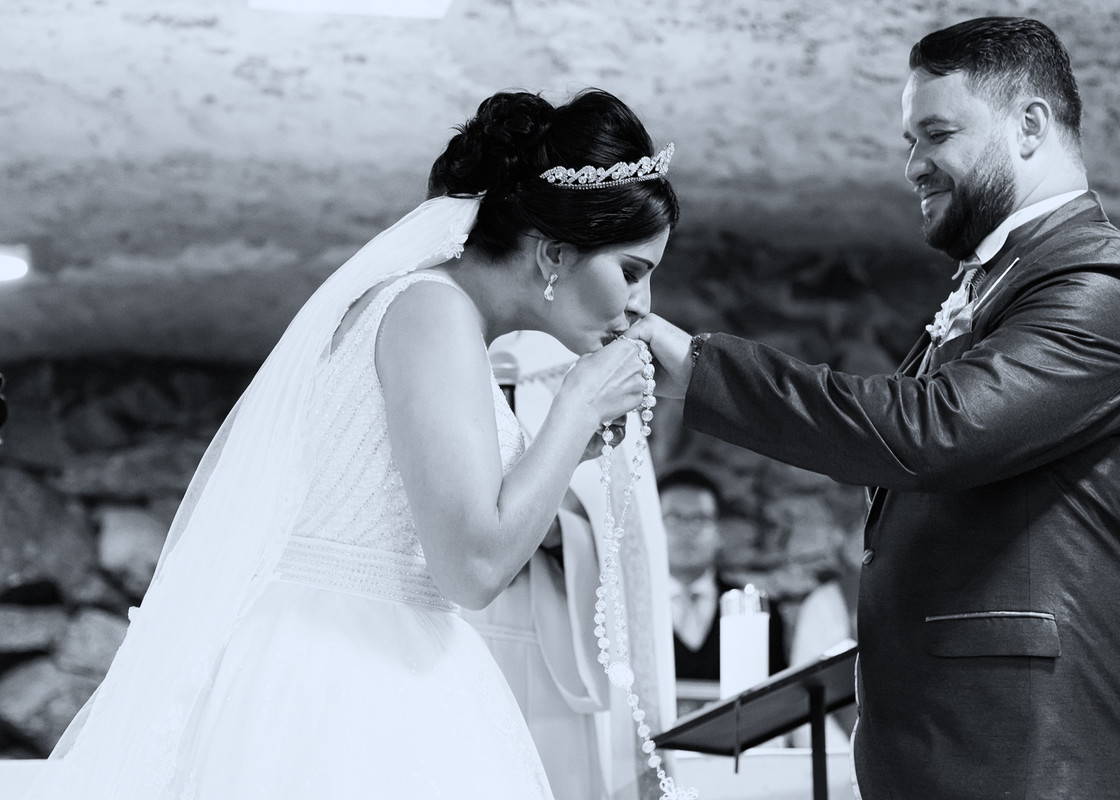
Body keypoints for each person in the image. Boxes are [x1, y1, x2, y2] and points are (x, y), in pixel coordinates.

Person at [25, 88, 679, 799]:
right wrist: (576, 410)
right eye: (632, 272)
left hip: (388, 648)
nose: (641, 306)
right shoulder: (433, 311)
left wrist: (563, 451)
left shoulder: (441, 315)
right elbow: (473, 566)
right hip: (339, 677)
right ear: (554, 252)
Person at [630, 16, 1120, 800]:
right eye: (909, 140)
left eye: (936, 134)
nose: (914, 165)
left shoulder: (1107, 282)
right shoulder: (1000, 283)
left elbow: (936, 431)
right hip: (962, 755)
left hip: (1043, 761)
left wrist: (705, 373)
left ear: (1029, 124)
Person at [463, 330, 678, 800]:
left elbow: (621, 542)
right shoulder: (446, 358)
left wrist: (561, 535)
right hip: (455, 630)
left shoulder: (586, 379)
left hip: (552, 649)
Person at [659, 467, 787, 689]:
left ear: (719, 530)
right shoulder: (629, 609)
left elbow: (777, 700)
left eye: (700, 518)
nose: (688, 531)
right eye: (674, 518)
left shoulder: (757, 611)